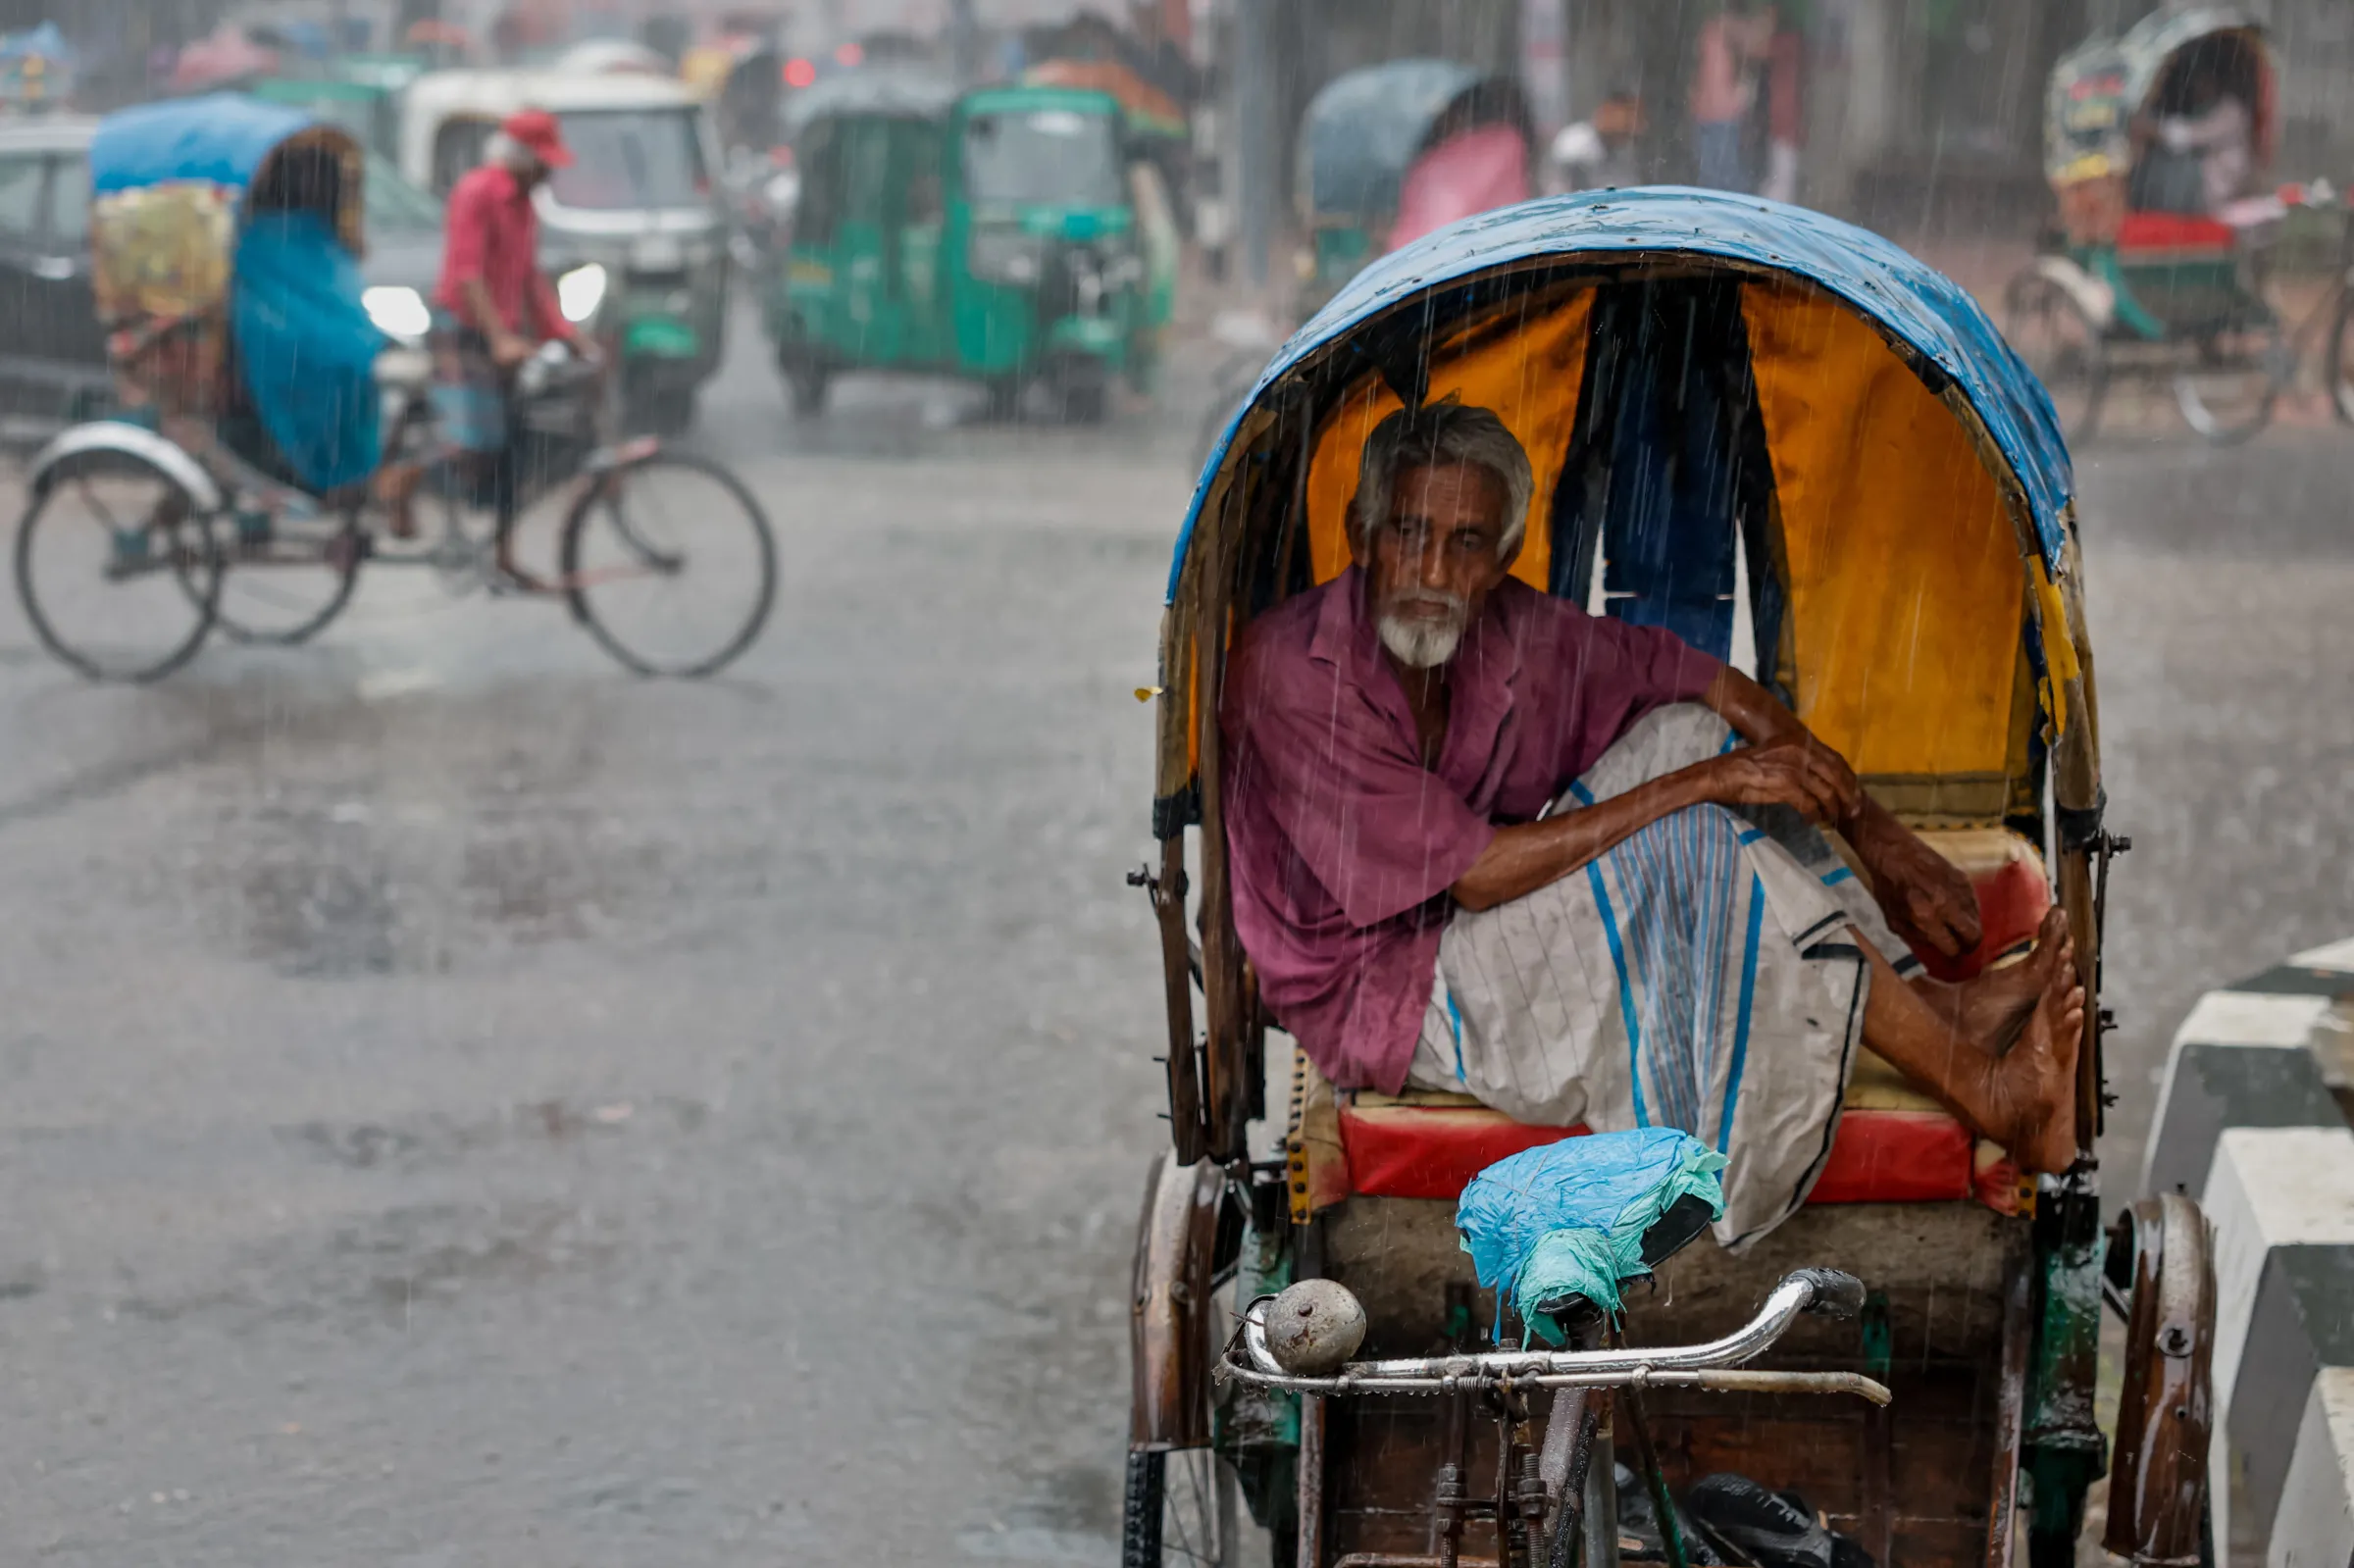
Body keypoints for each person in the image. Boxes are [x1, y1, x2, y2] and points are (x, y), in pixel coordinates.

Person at [1220, 401, 2083, 1244]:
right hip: (1386, 994)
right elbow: (1478, 872)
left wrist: (1878, 836)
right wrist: (1709, 784)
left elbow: (1714, 688)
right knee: (1697, 830)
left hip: (1467, 923)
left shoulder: (1509, 627)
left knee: (1688, 734)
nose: (1435, 573)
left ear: (1506, 554)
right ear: (1360, 533)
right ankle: (1989, 1091)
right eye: (1409, 533)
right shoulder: (1292, 674)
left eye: (1468, 542)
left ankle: (1930, 1006)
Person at [382, 109, 592, 573]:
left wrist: (566, 334)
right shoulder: (477, 193)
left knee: (513, 449)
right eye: (543, 162)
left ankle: (503, 554)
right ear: (524, 159)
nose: (549, 173)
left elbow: (528, 280)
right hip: (462, 329)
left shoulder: (523, 205)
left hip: (501, 333)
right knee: (473, 439)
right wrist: (498, 337)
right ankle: (403, 481)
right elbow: (467, 274)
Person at [1690, 1, 1772, 193]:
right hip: (1710, 111)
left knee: (1722, 175)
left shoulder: (1727, 29)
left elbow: (1759, 46)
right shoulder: (1713, 29)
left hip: (1722, 112)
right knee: (1714, 174)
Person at [1548, 91, 1643, 194]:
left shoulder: (1620, 155)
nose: (1635, 125)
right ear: (1607, 111)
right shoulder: (1575, 142)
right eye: (1629, 116)